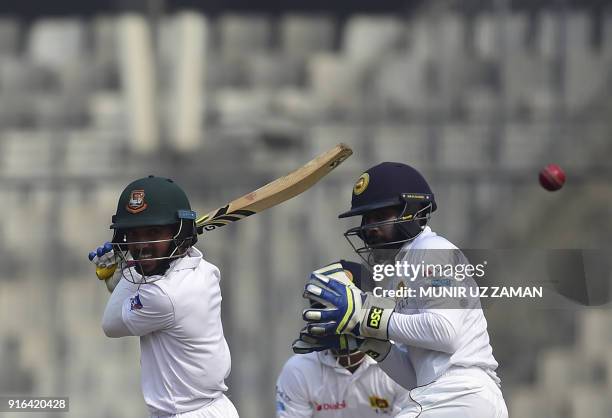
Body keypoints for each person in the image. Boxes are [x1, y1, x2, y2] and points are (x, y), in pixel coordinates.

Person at [297, 163, 508, 418]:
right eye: (366, 218)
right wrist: (368, 341)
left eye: (380, 216)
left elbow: (444, 331)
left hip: (458, 394)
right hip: (447, 396)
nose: (370, 227)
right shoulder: (397, 272)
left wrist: (363, 314)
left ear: (413, 212)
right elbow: (412, 377)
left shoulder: (432, 250)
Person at [88, 175, 238, 418]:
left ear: (179, 233)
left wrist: (128, 267)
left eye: (153, 232)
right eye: (134, 235)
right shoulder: (202, 269)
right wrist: (130, 266)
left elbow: (111, 324)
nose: (141, 245)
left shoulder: (164, 296)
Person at [278, 260, 413, 418]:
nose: (342, 326)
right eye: (332, 313)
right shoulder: (298, 370)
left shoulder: (404, 360)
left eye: (350, 313)